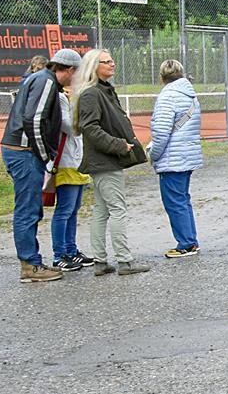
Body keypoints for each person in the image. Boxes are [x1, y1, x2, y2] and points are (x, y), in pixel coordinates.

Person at [0, 47, 81, 283]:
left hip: (23, 151)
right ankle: (30, 265)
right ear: (69, 70)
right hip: (24, 152)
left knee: (31, 208)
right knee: (28, 209)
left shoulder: (42, 80)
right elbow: (34, 120)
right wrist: (46, 157)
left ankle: (32, 262)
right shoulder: (45, 81)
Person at [73, 48, 149, 277]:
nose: (112, 64)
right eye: (106, 62)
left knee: (102, 210)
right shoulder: (92, 94)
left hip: (104, 162)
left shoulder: (101, 91)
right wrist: (118, 145)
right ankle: (124, 261)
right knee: (117, 210)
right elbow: (90, 128)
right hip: (104, 161)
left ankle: (100, 261)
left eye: (112, 60)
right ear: (94, 67)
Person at [149, 60, 202, 258]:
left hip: (172, 157)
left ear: (162, 77)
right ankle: (190, 240)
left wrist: (153, 155)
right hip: (186, 155)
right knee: (183, 199)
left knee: (175, 201)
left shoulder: (167, 97)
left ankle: (186, 244)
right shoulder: (190, 94)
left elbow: (161, 133)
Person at [49, 83, 93, 272]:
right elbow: (70, 127)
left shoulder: (73, 100)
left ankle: (71, 249)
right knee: (64, 210)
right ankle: (59, 254)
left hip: (77, 161)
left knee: (74, 209)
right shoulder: (59, 100)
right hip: (66, 162)